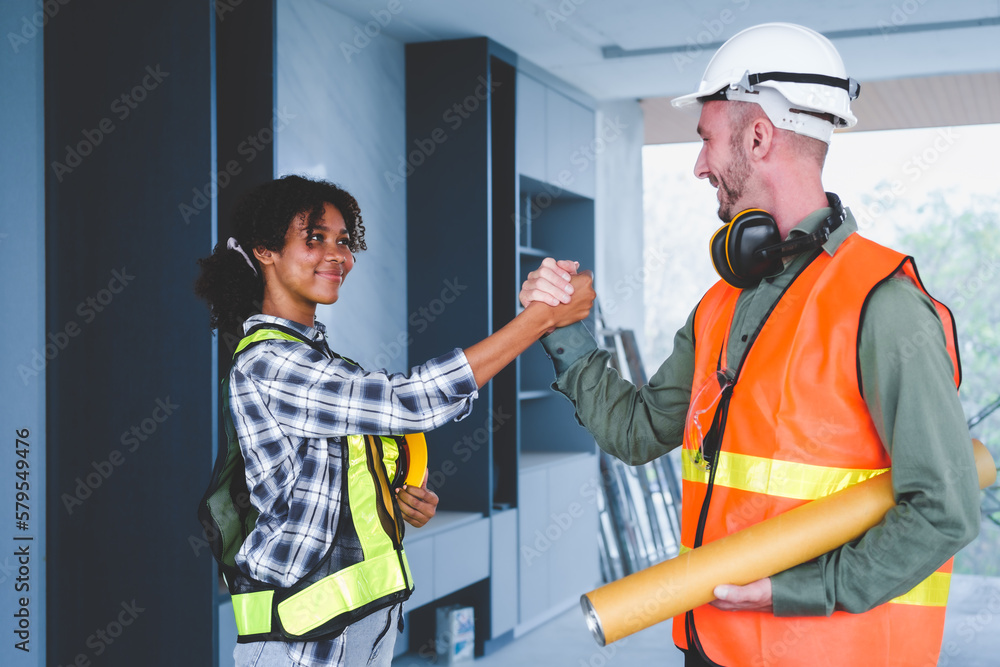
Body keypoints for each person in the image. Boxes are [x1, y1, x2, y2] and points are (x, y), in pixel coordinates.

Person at [520, 23, 980, 667]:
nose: (700, 164)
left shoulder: (884, 303)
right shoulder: (721, 305)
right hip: (713, 647)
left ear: (758, 135)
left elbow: (944, 511)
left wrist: (794, 589)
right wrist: (560, 326)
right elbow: (636, 431)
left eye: (707, 139)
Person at [194, 174, 593, 666]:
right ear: (265, 251)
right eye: (314, 238)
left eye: (343, 241)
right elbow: (410, 402)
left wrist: (395, 501)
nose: (337, 255)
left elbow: (339, 471)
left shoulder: (322, 361)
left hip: (361, 627)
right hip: (300, 641)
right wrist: (539, 320)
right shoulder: (269, 363)